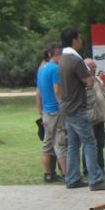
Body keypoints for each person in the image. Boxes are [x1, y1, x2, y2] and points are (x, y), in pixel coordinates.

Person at [58, 27, 105, 191]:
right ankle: (95, 180)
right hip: (77, 107)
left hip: (67, 107)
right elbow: (89, 82)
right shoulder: (76, 60)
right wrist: (89, 76)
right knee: (90, 143)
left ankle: (72, 178)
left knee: (73, 144)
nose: (81, 41)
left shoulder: (62, 58)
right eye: (79, 38)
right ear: (74, 40)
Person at [35, 43, 66, 183]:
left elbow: (38, 92)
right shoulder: (55, 69)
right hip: (55, 111)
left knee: (47, 144)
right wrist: (63, 108)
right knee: (60, 142)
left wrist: (40, 110)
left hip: (46, 112)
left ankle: (48, 175)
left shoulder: (42, 68)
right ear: (57, 54)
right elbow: (57, 92)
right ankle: (68, 175)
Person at [82, 58, 105, 177]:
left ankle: (101, 168)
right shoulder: (83, 81)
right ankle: (87, 169)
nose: (94, 69)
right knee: (89, 144)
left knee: (100, 144)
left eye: (94, 66)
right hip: (90, 118)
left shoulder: (97, 80)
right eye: (91, 67)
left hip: (99, 117)